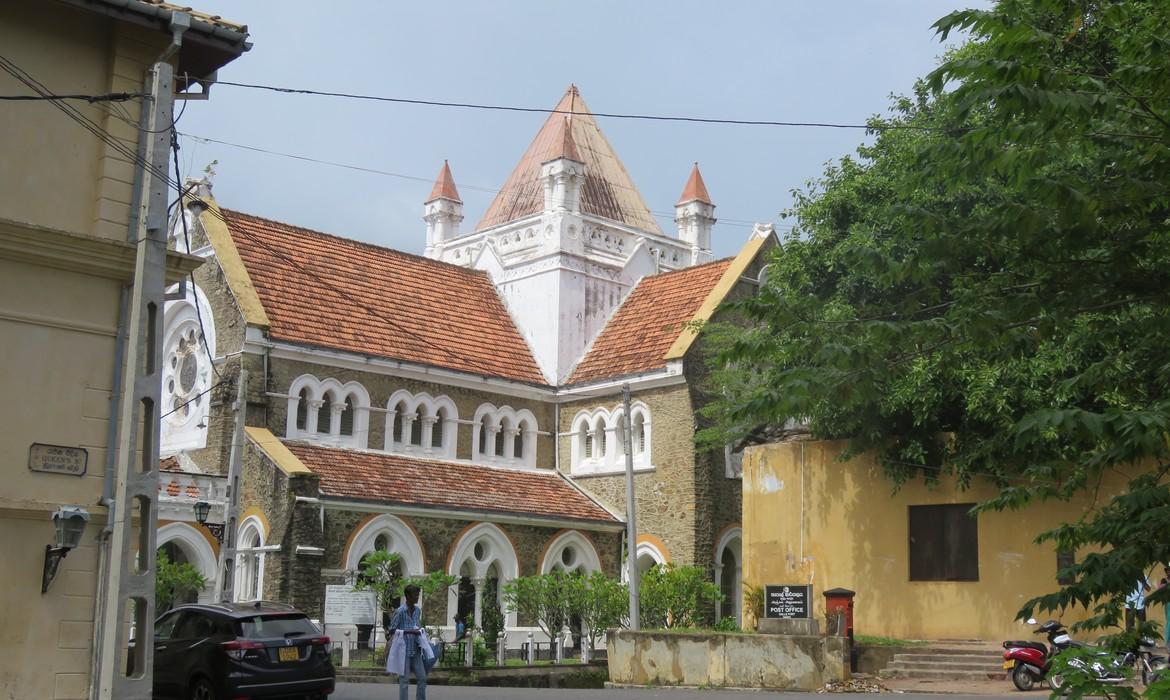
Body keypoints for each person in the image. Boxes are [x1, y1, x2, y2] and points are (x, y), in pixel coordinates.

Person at [387, 584, 428, 700]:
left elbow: (418, 625)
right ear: (408, 596)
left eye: (418, 594)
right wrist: (409, 631)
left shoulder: (418, 611)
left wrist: (421, 633)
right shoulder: (400, 611)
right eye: (415, 595)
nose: (417, 597)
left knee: (422, 678)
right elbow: (392, 630)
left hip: (415, 649)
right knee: (404, 680)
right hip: (403, 650)